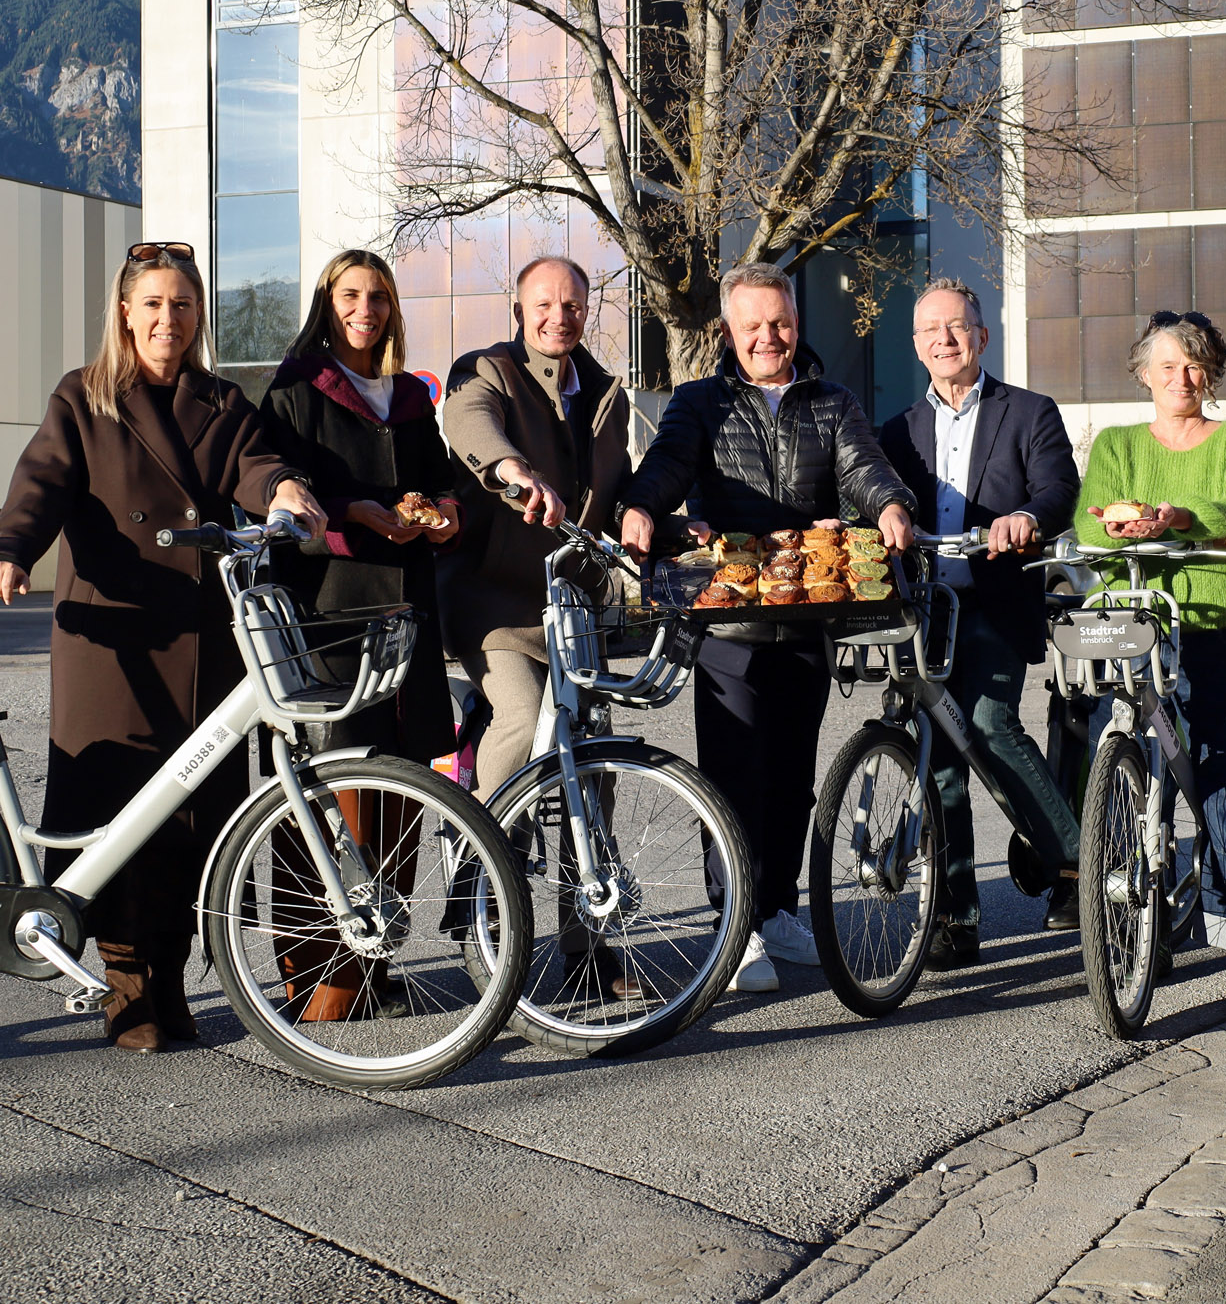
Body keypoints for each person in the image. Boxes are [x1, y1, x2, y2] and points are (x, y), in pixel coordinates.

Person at [0, 242, 328, 1053]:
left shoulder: (222, 400)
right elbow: (40, 483)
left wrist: (282, 487)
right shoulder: (85, 398)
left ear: (199, 314)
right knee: (119, 815)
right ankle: (127, 993)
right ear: (125, 313)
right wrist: (8, 548)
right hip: (117, 642)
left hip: (205, 640)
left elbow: (258, 459)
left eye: (183, 304)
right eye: (154, 304)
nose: (169, 319)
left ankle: (170, 984)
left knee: (195, 817)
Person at [616, 261, 916, 993]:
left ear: (795, 321)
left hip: (808, 619)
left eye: (778, 322)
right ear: (728, 331)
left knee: (792, 782)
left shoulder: (831, 401)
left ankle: (778, 906)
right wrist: (642, 508)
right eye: (751, 326)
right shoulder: (698, 403)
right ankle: (735, 925)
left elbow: (866, 469)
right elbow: (665, 467)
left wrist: (889, 508)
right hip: (730, 622)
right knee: (733, 779)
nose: (767, 337)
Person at [256, 249, 465, 1021]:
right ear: (327, 301)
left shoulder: (411, 394)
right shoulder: (295, 389)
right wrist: (354, 515)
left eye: (378, 295)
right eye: (350, 294)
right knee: (331, 795)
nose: (365, 308)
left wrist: (443, 515)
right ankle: (316, 978)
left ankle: (377, 961)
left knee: (403, 789)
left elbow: (440, 480)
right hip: (332, 614)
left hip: (407, 614)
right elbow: (282, 500)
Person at [1073, 311, 1226, 1016]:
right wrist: (1112, 523)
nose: (1181, 379)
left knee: (1225, 777)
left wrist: (1176, 516)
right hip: (1134, 618)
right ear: (1143, 374)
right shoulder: (1117, 443)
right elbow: (1086, 523)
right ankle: (1145, 922)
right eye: (1166, 366)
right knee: (1129, 768)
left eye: (1194, 365)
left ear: (1213, 371)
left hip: (1209, 616)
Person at [878, 279, 1082, 967]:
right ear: (916, 344)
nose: (944, 339)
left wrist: (1028, 516)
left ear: (981, 337)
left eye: (957, 327)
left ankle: (1081, 864)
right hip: (925, 613)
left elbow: (1059, 489)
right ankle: (953, 918)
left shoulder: (1028, 412)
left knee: (991, 724)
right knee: (936, 764)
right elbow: (870, 499)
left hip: (993, 601)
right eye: (930, 330)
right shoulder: (897, 430)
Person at [438, 256, 633, 796]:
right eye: (543, 305)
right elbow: (468, 419)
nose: (558, 317)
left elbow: (619, 490)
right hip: (495, 606)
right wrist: (512, 469)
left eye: (571, 305)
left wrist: (658, 523)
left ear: (587, 310)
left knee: (595, 749)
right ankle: (482, 856)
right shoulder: (487, 370)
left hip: (573, 610)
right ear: (519, 310)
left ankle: (595, 868)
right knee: (523, 720)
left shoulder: (604, 394)